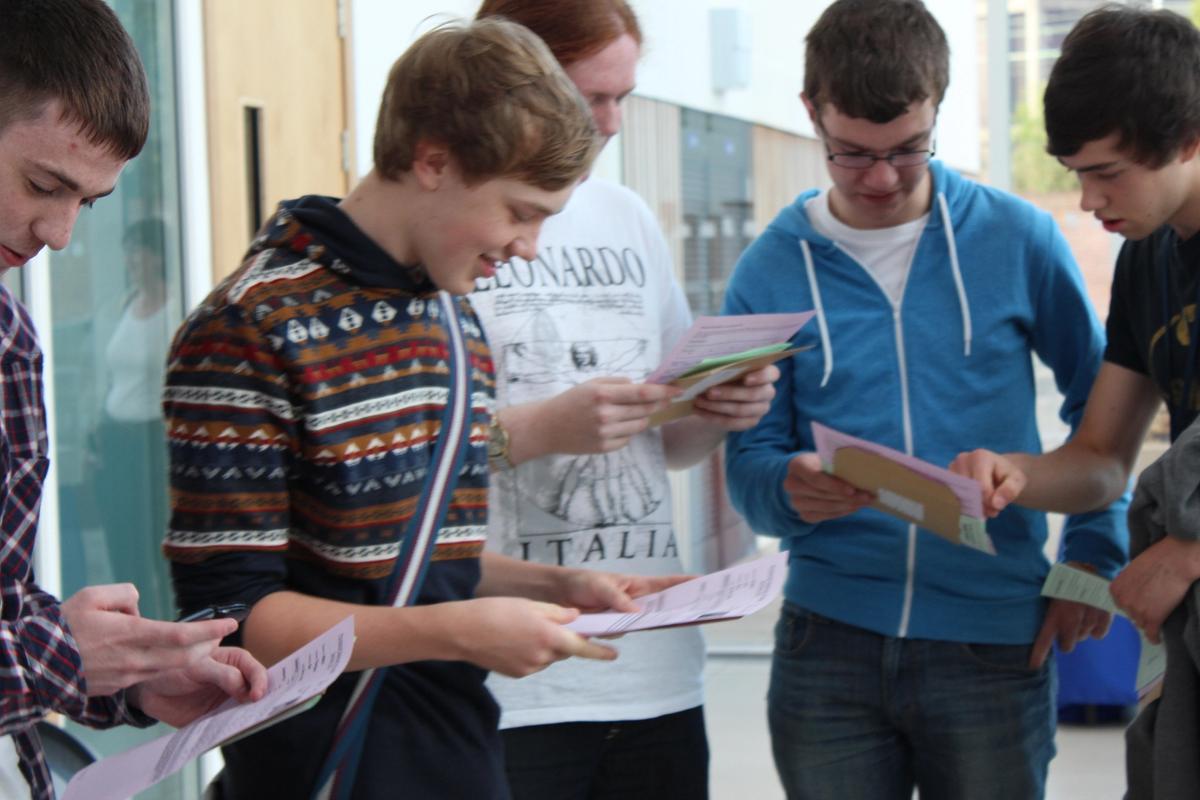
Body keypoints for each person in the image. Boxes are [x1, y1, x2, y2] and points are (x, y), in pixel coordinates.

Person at [162, 18, 686, 800]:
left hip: (457, 754)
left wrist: (553, 586)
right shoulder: (247, 330)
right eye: (520, 210)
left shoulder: (448, 314)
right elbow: (234, 624)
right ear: (433, 161)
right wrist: (455, 631)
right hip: (319, 767)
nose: (530, 247)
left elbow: (415, 564)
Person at [720, 1, 1127, 798]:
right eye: (852, 153)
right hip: (826, 647)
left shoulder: (1018, 239)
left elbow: (1103, 410)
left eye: (908, 150)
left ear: (938, 105)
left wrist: (1091, 558)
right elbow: (749, 471)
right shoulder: (765, 274)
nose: (879, 178)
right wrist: (785, 489)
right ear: (811, 113)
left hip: (992, 641)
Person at [469, 3, 778, 798]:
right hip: (513, 675)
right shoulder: (457, 229)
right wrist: (543, 427)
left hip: (654, 668)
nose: (608, 124)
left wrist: (711, 412)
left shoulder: (627, 217)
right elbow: (411, 453)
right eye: (587, 99)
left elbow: (662, 442)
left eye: (622, 98)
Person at [0, 2, 269, 798]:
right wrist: (61, 654)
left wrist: (125, 678)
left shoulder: (10, 339)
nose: (59, 234)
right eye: (44, 185)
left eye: (87, 203)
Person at [950, 7, 1200, 798]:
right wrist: (1014, 474)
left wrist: (1190, 551)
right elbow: (1098, 462)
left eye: (1108, 171)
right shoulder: (1146, 257)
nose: (1089, 200)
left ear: (1189, 137)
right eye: (1074, 172)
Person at [87, 218, 172, 620]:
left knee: (153, 545)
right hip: (117, 438)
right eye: (128, 250)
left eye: (140, 249)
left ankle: (162, 623)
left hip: (152, 441)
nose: (132, 259)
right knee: (121, 544)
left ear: (158, 256)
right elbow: (111, 378)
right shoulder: (125, 303)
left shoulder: (174, 307)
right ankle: (132, 627)